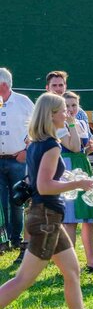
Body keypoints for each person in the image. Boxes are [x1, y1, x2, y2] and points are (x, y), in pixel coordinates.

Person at [0, 93, 93, 309]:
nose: (66, 114)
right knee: (22, 280)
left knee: (72, 272)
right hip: (46, 218)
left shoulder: (36, 143)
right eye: (62, 110)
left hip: (47, 217)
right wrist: (78, 184)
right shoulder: (51, 145)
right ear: (51, 115)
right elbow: (44, 186)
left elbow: (41, 179)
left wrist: (67, 178)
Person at [57, 92, 93, 272]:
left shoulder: (82, 123)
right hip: (68, 168)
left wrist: (91, 148)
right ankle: (69, 264)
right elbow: (74, 147)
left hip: (83, 166)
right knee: (70, 219)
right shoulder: (59, 125)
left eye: (74, 105)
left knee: (88, 217)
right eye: (67, 106)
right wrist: (70, 123)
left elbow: (82, 150)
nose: (70, 109)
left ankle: (92, 260)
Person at [0, 68, 34, 260]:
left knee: (18, 200)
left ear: (3, 85)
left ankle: (16, 238)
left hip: (17, 159)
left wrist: (26, 151)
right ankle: (3, 239)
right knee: (0, 202)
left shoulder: (23, 102)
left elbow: (36, 127)